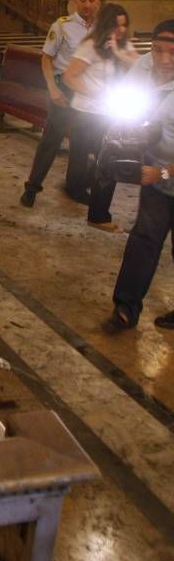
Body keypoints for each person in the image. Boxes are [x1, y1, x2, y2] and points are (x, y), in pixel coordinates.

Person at [106, 21, 174, 331]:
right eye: (158, 50)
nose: (164, 59)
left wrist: (161, 172)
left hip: (161, 170)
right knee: (145, 239)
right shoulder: (144, 66)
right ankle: (126, 307)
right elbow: (123, 104)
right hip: (157, 168)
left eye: (173, 53)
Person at [19, 0, 100, 208]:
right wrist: (52, 89)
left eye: (91, 0)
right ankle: (32, 188)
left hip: (88, 91)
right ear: (76, 2)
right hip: (64, 88)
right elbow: (46, 58)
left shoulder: (102, 30)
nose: (87, 4)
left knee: (83, 142)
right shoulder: (62, 26)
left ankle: (76, 187)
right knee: (51, 140)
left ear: (98, 3)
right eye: (82, 0)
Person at [63, 3, 138, 230]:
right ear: (107, 25)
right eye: (116, 25)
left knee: (106, 163)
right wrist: (96, 93)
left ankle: (93, 206)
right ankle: (96, 213)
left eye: (124, 25)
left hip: (111, 113)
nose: (121, 30)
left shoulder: (124, 47)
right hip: (87, 112)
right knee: (89, 159)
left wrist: (116, 51)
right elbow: (69, 77)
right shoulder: (90, 46)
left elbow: (139, 65)